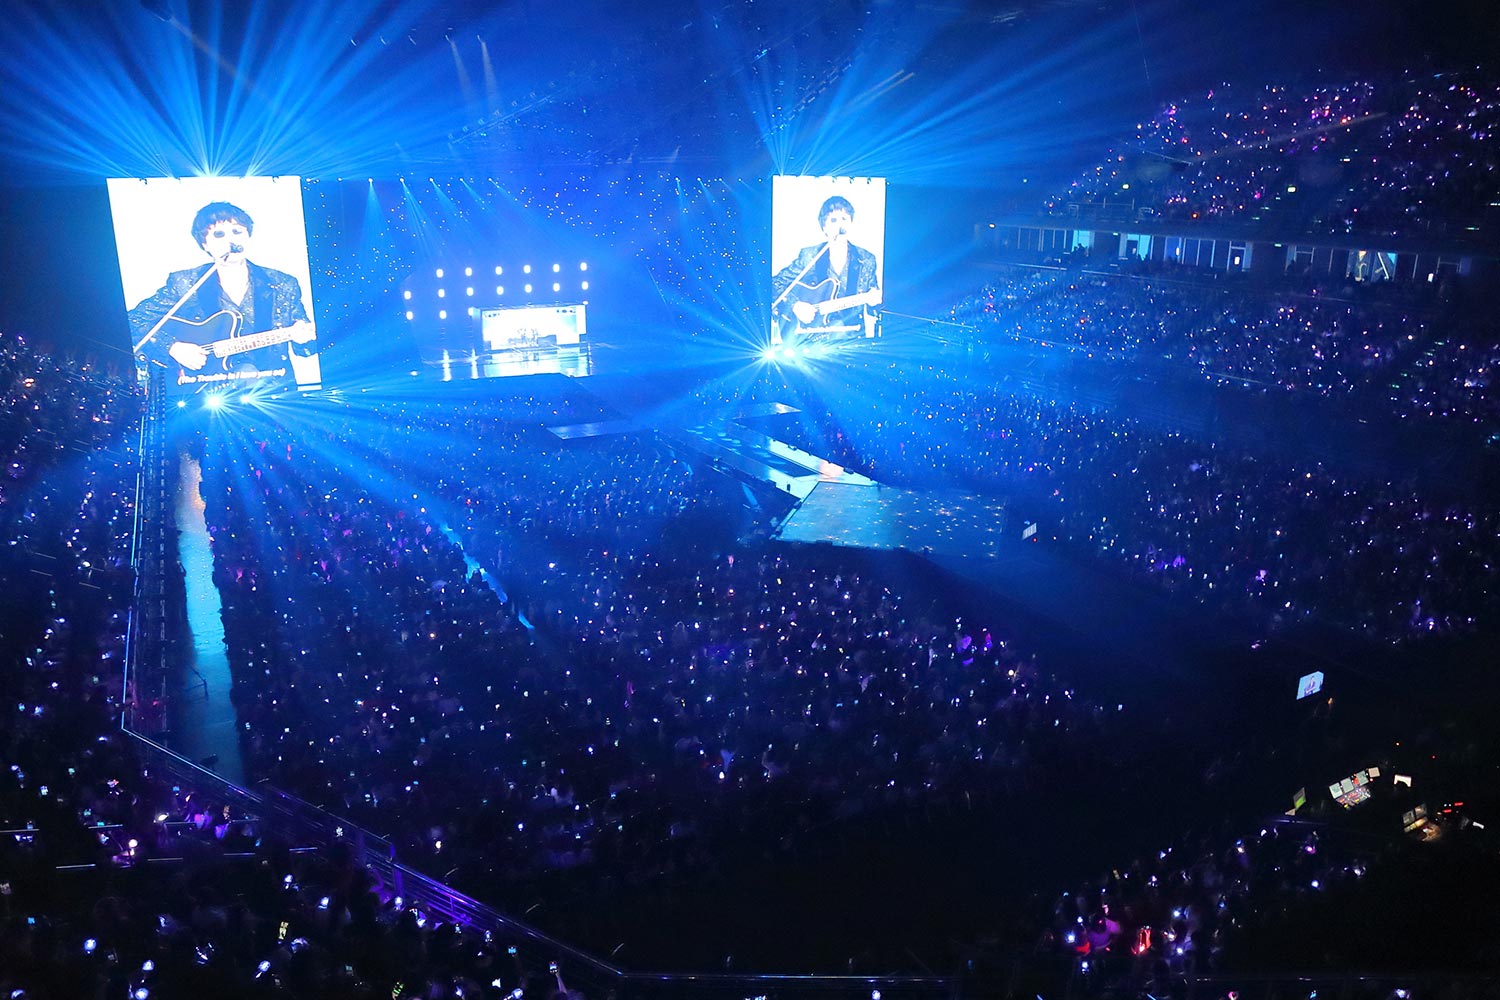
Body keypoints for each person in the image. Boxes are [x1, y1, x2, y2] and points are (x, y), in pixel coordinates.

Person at [130, 201, 318, 387]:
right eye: (219, 234)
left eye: (237, 231)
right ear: (205, 244)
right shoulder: (186, 283)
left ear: (248, 236)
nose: (231, 240)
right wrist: (172, 347)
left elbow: (305, 347)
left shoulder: (281, 283)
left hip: (271, 386)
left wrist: (304, 338)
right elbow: (133, 321)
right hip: (205, 386)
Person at [771, 195, 881, 343]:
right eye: (833, 220)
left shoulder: (866, 259)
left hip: (850, 334)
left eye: (844, 219)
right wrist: (795, 305)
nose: (840, 225)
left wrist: (875, 302)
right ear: (824, 227)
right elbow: (775, 284)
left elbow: (876, 304)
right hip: (810, 335)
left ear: (851, 223)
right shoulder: (810, 255)